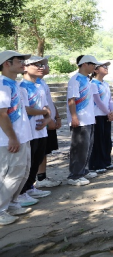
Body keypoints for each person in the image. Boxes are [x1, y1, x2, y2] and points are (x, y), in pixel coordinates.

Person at [0, 51, 34, 225]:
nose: (23, 64)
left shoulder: (16, 84)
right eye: (19, 61)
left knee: (23, 172)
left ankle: (12, 203)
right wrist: (12, 137)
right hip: (10, 139)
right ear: (7, 63)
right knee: (11, 175)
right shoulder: (2, 85)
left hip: (23, 137)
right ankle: (1, 210)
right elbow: (2, 114)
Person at [18, 56, 53, 204]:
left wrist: (47, 119)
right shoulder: (21, 87)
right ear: (25, 67)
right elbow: (26, 109)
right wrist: (44, 113)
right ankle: (21, 192)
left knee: (37, 159)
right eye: (36, 65)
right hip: (28, 131)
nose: (40, 67)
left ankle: (30, 187)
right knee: (28, 162)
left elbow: (46, 107)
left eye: (41, 65)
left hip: (41, 129)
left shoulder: (39, 86)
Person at [66, 55, 99, 186]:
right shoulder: (75, 80)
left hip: (89, 119)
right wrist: (74, 116)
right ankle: (74, 175)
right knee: (79, 148)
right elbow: (71, 100)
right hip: (80, 120)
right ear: (85, 64)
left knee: (87, 147)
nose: (94, 67)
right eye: (93, 65)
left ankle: (83, 171)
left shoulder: (87, 79)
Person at [35, 57, 62, 188]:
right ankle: (39, 178)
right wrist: (48, 120)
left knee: (44, 150)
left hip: (48, 119)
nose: (45, 67)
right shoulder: (34, 84)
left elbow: (49, 103)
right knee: (40, 151)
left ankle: (42, 176)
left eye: (44, 65)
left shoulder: (42, 82)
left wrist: (57, 117)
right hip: (42, 122)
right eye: (41, 65)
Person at [89, 61, 113, 172]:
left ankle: (106, 161)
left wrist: (112, 111)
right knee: (98, 140)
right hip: (97, 115)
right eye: (103, 66)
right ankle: (97, 164)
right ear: (96, 70)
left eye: (106, 66)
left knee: (106, 139)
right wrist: (108, 112)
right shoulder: (93, 84)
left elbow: (110, 99)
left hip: (106, 115)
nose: (106, 68)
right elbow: (97, 101)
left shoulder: (105, 84)